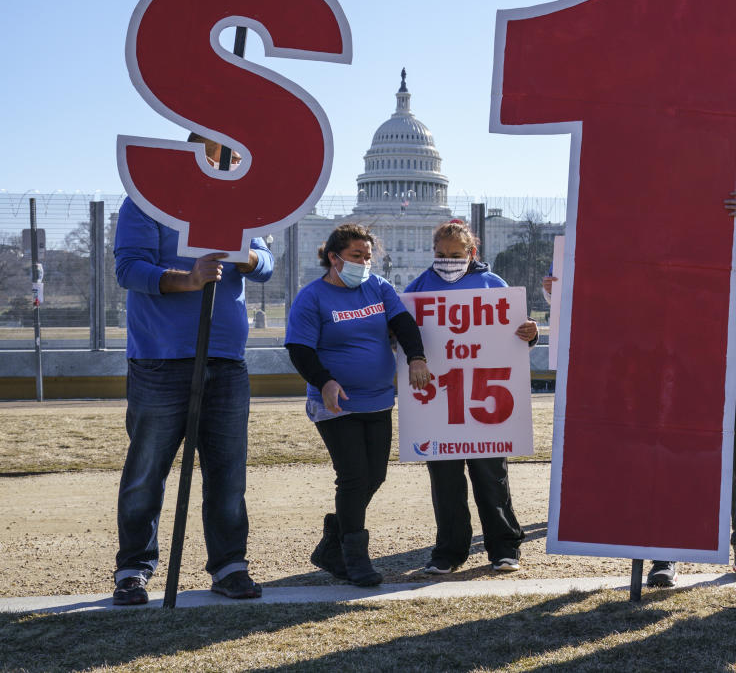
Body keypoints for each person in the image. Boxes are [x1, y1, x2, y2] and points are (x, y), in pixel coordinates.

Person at [111, 135, 273, 605]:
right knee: (147, 469)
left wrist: (243, 253)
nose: (230, 160)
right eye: (220, 151)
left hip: (225, 358)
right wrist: (188, 280)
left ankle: (229, 565)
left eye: (235, 155)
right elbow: (128, 268)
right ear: (193, 151)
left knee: (227, 471)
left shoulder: (241, 201)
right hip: (161, 358)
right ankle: (133, 568)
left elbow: (264, 264)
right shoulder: (146, 198)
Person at [647, 191, 736, 587]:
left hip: (725, 362)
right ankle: (665, 552)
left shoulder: (729, 219)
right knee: (670, 460)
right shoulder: (660, 223)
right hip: (671, 364)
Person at [285, 223, 430, 586]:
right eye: (355, 256)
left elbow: (403, 323)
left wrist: (416, 358)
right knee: (353, 477)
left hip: (378, 399)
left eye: (367, 256)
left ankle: (333, 541)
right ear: (333, 258)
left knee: (375, 475)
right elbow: (300, 349)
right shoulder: (312, 297)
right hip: (336, 403)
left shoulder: (378, 288)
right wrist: (325, 382)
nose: (363, 263)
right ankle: (356, 559)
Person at [405, 219, 538, 573]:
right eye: (440, 254)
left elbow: (516, 332)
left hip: (484, 402)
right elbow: (401, 329)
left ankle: (505, 549)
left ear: (471, 253)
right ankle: (448, 553)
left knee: (492, 481)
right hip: (439, 404)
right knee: (446, 486)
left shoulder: (493, 284)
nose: (447, 260)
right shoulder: (418, 286)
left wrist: (530, 332)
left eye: (454, 254)